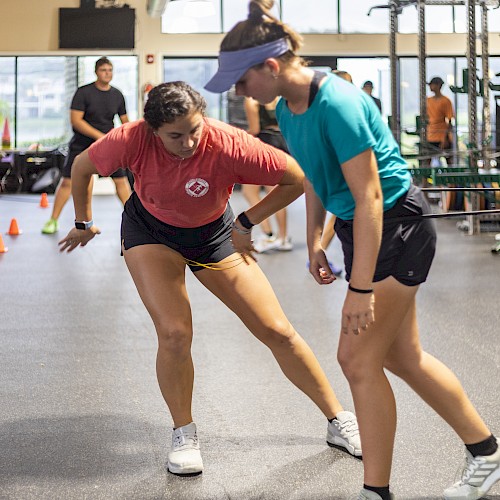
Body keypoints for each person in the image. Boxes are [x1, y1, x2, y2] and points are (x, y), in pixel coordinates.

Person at [205, 1, 499, 499]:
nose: (238, 92)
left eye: (240, 80)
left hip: (396, 225)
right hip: (360, 227)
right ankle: (487, 457)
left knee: (356, 360)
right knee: (404, 357)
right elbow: (319, 179)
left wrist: (359, 288)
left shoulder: (337, 103)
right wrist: (318, 242)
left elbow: (370, 198)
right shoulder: (287, 107)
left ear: (270, 67)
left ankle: (375, 491)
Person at [58, 81, 361, 477]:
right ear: (153, 130)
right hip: (151, 232)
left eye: (194, 130)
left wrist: (247, 220)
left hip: (215, 234)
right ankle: (184, 433)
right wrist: (83, 222)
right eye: (175, 136)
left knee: (276, 329)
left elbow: (295, 178)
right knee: (175, 333)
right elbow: (81, 168)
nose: (188, 143)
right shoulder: (130, 139)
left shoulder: (229, 143)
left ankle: (338, 419)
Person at [42, 57, 131, 234]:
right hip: (82, 145)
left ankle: (136, 221)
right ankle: (53, 220)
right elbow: (76, 121)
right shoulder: (84, 93)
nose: (108, 73)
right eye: (104, 70)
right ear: (96, 72)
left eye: (110, 70)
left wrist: (127, 139)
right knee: (68, 182)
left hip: (108, 146)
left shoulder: (117, 95)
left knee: (122, 182)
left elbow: (125, 122)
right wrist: (101, 137)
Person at [243, 96, 292, 252]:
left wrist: (240, 137)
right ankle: (281, 237)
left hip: (263, 146)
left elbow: (255, 130)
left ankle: (269, 234)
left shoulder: (252, 101)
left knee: (250, 191)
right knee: (276, 193)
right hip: (282, 144)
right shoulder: (281, 100)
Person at [426, 76, 455, 167]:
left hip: (442, 135)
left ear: (438, 85)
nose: (430, 87)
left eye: (432, 84)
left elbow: (450, 120)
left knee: (449, 160)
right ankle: (425, 181)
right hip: (430, 135)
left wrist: (445, 138)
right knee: (426, 160)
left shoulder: (446, 101)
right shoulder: (428, 101)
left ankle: (451, 180)